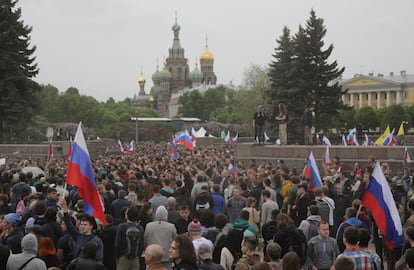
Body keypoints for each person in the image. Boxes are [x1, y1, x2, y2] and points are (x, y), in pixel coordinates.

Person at [61, 199, 104, 263]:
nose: (82, 226)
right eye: (81, 224)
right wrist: (65, 209)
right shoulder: (78, 236)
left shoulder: (97, 241)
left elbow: (99, 258)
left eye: (85, 225)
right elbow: (69, 225)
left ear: (91, 226)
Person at [115, 206, 144, 270]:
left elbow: (117, 244)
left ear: (127, 216)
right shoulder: (140, 228)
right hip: (135, 258)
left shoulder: (121, 227)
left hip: (123, 257)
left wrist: (118, 256)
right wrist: (137, 255)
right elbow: (141, 245)